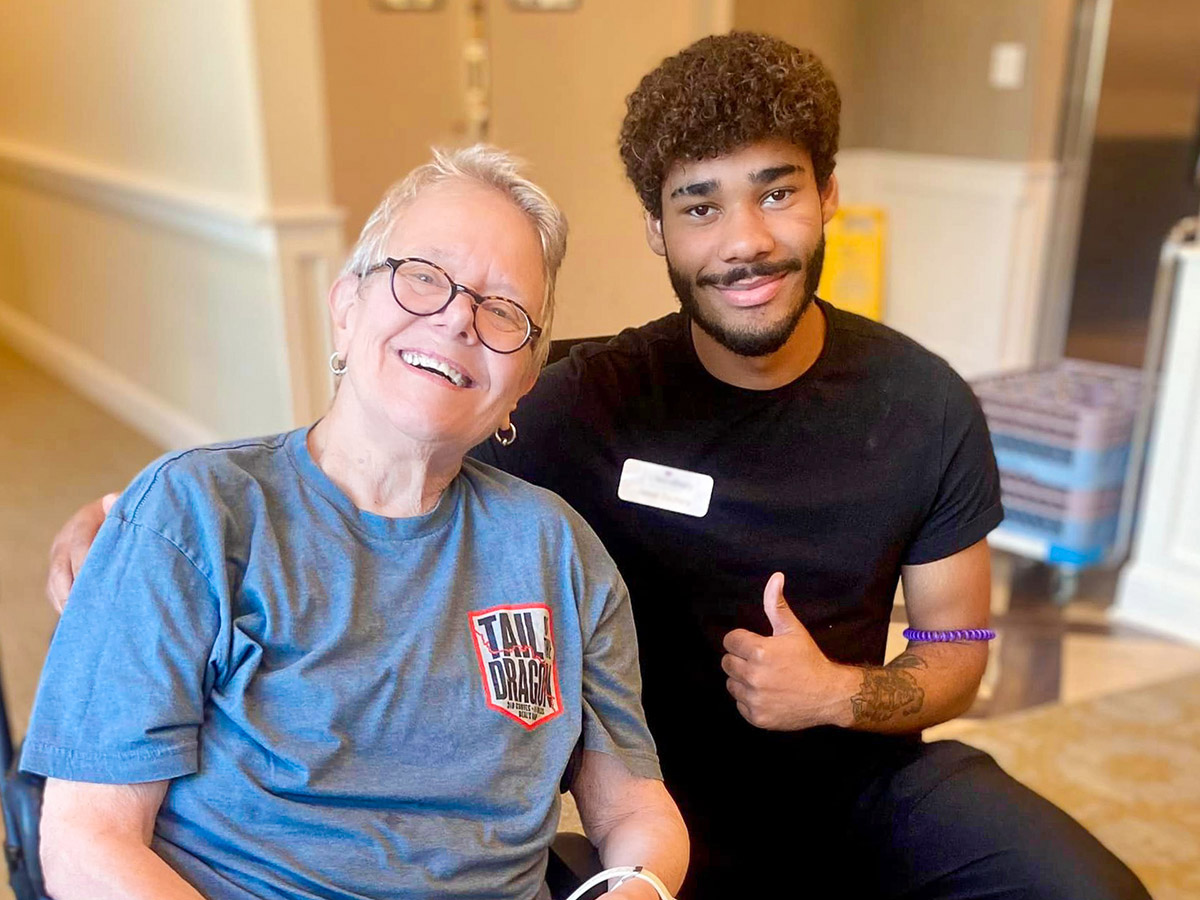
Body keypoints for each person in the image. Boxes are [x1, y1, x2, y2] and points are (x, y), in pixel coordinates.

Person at [48, 33, 1150, 900]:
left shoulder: (923, 405)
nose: (745, 240)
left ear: (828, 197)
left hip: (853, 772)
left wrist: (838, 695)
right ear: (657, 232)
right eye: (701, 204)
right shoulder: (581, 396)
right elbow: (394, 423)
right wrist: (154, 539)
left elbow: (961, 652)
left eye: (777, 191)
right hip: (677, 796)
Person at [24, 146, 687, 900]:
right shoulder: (196, 514)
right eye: (424, 277)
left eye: (503, 309)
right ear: (346, 308)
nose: (458, 318)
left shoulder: (558, 551)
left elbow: (635, 808)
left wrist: (638, 886)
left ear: (523, 383)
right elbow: (86, 841)